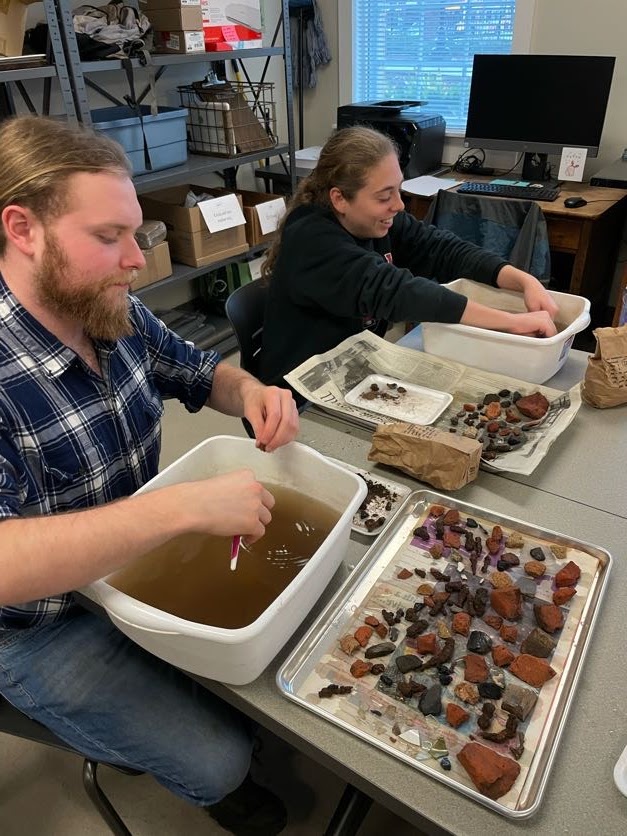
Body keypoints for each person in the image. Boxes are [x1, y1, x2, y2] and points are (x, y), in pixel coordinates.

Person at [0, 116, 300, 835]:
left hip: (133, 563)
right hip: (37, 625)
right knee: (220, 759)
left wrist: (253, 393)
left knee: (275, 649)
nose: (136, 259)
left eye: (136, 234)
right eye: (109, 237)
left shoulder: (111, 307)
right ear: (22, 228)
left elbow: (199, 372)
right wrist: (180, 511)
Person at [260, 126, 559, 391]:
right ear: (339, 199)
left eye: (398, 190)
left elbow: (442, 248)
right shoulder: (311, 239)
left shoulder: (377, 221)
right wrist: (510, 322)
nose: (399, 205)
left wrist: (521, 280)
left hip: (356, 371)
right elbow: (397, 290)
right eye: (384, 196)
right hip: (298, 393)